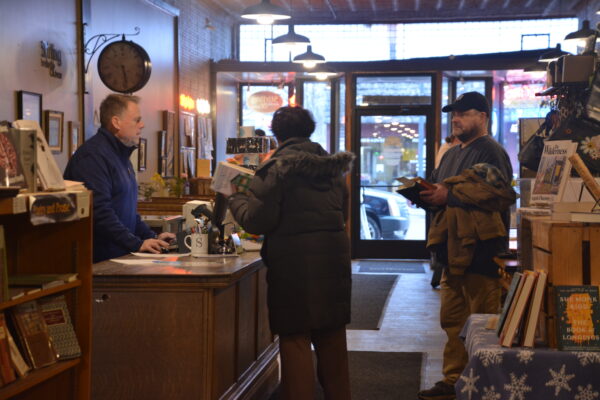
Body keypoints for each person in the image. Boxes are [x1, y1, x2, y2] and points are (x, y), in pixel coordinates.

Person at [228, 106, 354, 400]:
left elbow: (258, 221)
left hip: (293, 263)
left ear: (276, 133)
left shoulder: (276, 169)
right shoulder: (334, 168)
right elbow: (342, 214)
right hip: (334, 259)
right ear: (310, 130)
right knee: (332, 336)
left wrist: (234, 196)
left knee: (295, 337)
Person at [417, 92, 516, 400]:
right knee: (452, 321)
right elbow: (441, 189)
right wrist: (425, 196)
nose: (456, 119)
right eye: (453, 114)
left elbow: (495, 195)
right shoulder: (450, 153)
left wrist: (449, 197)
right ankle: (454, 379)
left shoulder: (492, 151)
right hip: (451, 250)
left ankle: (483, 383)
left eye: (464, 113)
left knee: (482, 323)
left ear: (483, 117)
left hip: (481, 252)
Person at [64, 94, 175, 263]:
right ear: (116, 122)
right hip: (100, 262)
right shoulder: (93, 157)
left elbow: (128, 213)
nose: (142, 125)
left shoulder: (121, 156)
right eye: (137, 120)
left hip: (119, 256)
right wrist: (136, 244)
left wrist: (152, 237)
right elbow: (99, 212)